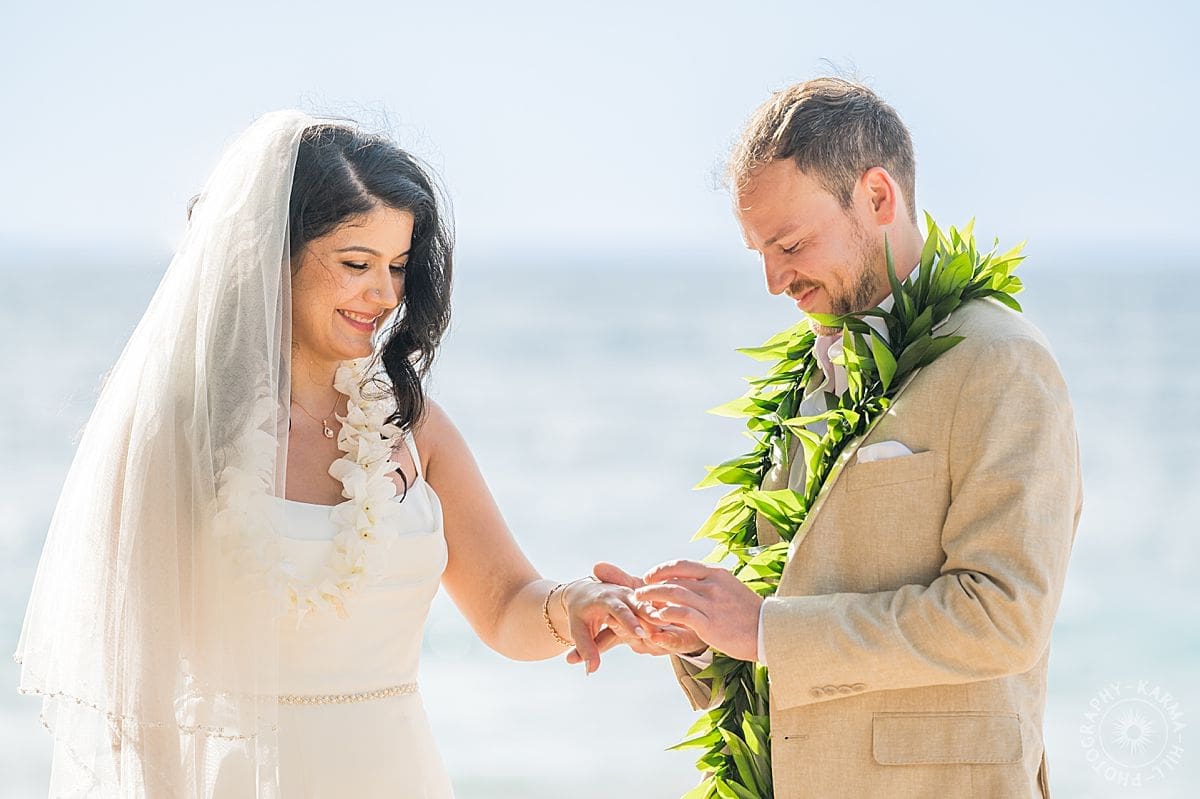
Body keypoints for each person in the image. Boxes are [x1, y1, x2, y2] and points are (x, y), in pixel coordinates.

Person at [14, 110, 647, 798]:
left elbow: (504, 605)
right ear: (271, 254)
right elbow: (128, 682)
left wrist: (577, 603)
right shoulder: (177, 433)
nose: (385, 294)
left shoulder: (416, 430)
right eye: (355, 264)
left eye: (398, 267)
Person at [578, 77, 1083, 797]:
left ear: (877, 197)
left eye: (790, 243)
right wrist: (701, 634)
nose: (773, 280)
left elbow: (1003, 616)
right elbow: (792, 618)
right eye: (758, 251)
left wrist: (764, 629)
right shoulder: (811, 374)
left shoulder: (1002, 361)